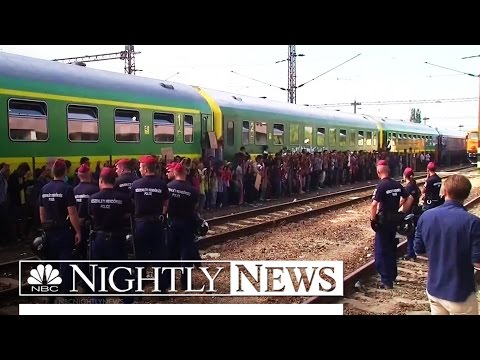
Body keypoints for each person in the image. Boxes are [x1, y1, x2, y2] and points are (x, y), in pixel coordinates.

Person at [414, 174, 480, 315]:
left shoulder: (426, 217)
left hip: (434, 289)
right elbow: (478, 262)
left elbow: (418, 250)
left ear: (444, 192)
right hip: (460, 293)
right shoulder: (473, 223)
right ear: (467, 194)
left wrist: (439, 253)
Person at [88, 166, 133, 303]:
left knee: (98, 272)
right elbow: (129, 214)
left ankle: (99, 302)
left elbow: (90, 216)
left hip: (99, 239)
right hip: (117, 239)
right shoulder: (123, 198)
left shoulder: (93, 198)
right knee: (120, 271)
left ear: (101, 180)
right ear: (115, 181)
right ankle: (127, 300)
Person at [39, 159, 82, 295]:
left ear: (52, 172)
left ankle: (51, 295)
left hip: (49, 231)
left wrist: (46, 227)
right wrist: (78, 231)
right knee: (65, 263)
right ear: (65, 172)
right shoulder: (67, 189)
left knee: (51, 263)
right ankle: (67, 292)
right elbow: (72, 213)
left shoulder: (44, 188)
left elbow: (42, 212)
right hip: (63, 231)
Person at [370, 160, 413, 289]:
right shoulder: (396, 184)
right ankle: (393, 275)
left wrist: (373, 220)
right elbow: (409, 198)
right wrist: (401, 211)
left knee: (381, 251)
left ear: (378, 172)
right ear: (388, 171)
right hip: (394, 221)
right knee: (391, 249)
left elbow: (374, 205)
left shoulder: (381, 186)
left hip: (383, 223)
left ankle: (386, 281)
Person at [130, 155, 169, 291]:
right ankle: (162, 289)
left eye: (141, 167)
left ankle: (139, 288)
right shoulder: (162, 184)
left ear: (145, 169)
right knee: (159, 257)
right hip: (157, 224)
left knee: (140, 258)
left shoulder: (135, 184)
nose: (140, 169)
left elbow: (132, 202)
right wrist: (161, 214)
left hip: (140, 225)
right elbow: (165, 203)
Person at [167, 162, 199, 290]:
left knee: (170, 253)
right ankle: (185, 283)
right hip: (187, 223)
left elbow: (165, 205)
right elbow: (195, 207)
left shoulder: (168, 187)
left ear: (175, 173)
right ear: (185, 173)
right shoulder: (192, 190)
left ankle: (168, 282)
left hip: (172, 223)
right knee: (186, 253)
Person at [73, 163, 99, 262]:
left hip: (77, 226)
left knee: (80, 250)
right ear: (90, 174)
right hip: (91, 225)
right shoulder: (95, 190)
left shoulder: (74, 190)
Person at [402, 167, 421, 261]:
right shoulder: (415, 186)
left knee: (410, 234)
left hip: (409, 212)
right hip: (416, 211)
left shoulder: (407, 187)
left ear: (405, 176)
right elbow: (420, 194)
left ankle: (411, 253)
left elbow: (403, 200)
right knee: (413, 232)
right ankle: (413, 251)